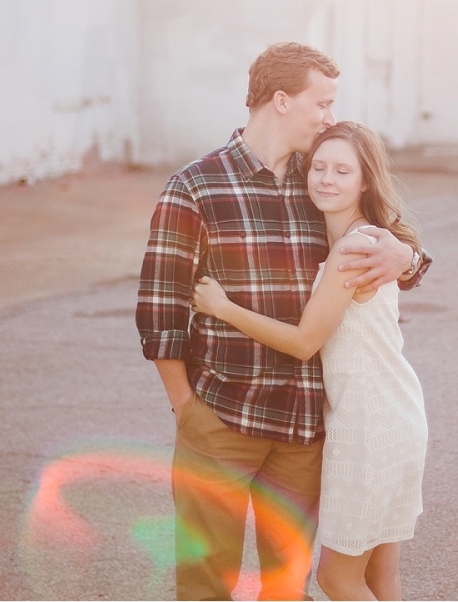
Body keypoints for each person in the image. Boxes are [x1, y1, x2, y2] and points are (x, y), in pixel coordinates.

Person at [137, 43, 431, 601]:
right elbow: (160, 309)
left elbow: (388, 244)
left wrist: (408, 257)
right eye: (321, 103)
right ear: (280, 100)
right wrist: (185, 409)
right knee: (206, 580)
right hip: (222, 417)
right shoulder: (196, 187)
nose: (328, 117)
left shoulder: (320, 177)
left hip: (304, 428)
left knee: (286, 585)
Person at [193, 122, 428, 602]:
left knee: (337, 579)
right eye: (318, 167)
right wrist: (408, 255)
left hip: (368, 425)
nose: (326, 179)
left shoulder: (356, 246)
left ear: (366, 181)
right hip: (396, 413)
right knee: (379, 577)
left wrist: (223, 308)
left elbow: (304, 342)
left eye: (343, 170)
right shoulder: (364, 238)